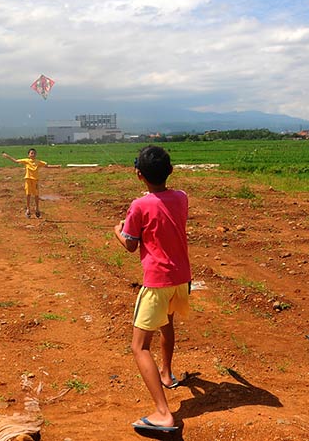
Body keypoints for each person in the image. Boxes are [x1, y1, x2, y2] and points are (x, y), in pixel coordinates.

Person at [113, 145, 191, 433]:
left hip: (157, 281)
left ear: (138, 175)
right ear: (170, 171)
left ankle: (163, 414)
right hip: (181, 278)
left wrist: (117, 232)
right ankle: (167, 374)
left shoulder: (139, 206)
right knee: (166, 322)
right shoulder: (182, 198)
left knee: (139, 346)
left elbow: (131, 245)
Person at [2, 148, 59, 218]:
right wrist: (8, 156)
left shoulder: (38, 162)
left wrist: (56, 166)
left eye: (34, 153)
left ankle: (37, 209)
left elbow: (47, 166)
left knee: (36, 195)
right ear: (28, 155)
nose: (33, 154)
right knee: (28, 194)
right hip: (28, 179)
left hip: (35, 180)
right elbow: (16, 161)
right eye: (31, 153)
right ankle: (28, 209)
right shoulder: (26, 161)